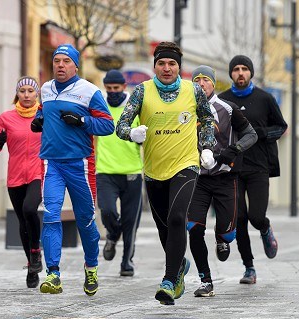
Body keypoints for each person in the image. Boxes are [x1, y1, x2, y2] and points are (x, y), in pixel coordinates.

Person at [116, 41, 216, 305]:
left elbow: (207, 119)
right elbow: (121, 123)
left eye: (172, 63)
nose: (167, 68)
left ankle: (169, 281)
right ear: (155, 66)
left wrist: (206, 147)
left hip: (185, 164)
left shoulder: (193, 90)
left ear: (179, 67)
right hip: (153, 170)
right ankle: (179, 266)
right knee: (164, 229)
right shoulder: (141, 91)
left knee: (176, 218)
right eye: (162, 63)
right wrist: (131, 133)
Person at [31, 44, 114, 296]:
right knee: (51, 215)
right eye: (57, 60)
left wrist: (82, 121)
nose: (60, 65)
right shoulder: (45, 89)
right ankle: (53, 274)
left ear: (75, 66)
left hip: (80, 164)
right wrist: (39, 119)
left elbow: (107, 125)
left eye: (66, 61)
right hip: (52, 163)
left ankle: (91, 267)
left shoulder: (89, 91)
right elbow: (43, 112)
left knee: (85, 221)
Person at [187, 65, 258, 297]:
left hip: (225, 177)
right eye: (196, 80)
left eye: (205, 80)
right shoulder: (185, 109)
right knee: (193, 229)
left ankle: (222, 238)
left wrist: (234, 149)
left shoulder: (228, 108)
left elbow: (251, 134)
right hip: (197, 179)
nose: (200, 84)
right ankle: (205, 281)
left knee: (227, 234)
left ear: (213, 84)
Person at [219, 55, 287, 284]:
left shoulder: (264, 99)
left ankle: (266, 229)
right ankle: (249, 268)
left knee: (256, 217)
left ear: (251, 73)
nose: (240, 73)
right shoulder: (223, 100)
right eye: (236, 69)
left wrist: (261, 133)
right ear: (231, 73)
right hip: (232, 169)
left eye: (244, 69)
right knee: (238, 218)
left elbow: (281, 126)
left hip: (259, 167)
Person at [0, 76, 43, 288]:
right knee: (22, 221)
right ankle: (31, 265)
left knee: (30, 209)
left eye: (31, 91)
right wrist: (0, 141)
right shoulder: (6, 118)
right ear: (17, 94)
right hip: (15, 176)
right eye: (23, 91)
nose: (27, 95)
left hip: (39, 172)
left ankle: (36, 252)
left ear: (37, 94)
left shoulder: (44, 115)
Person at [96, 69, 143, 277]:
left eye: (116, 88)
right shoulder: (100, 107)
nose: (113, 92)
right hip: (105, 170)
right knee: (107, 211)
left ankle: (127, 261)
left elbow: (146, 133)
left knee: (131, 221)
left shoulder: (134, 108)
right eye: (109, 89)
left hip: (132, 171)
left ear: (124, 87)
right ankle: (112, 235)